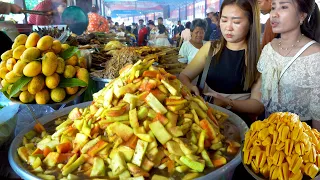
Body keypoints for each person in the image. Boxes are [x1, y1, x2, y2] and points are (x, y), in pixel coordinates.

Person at [179, 0, 264, 126]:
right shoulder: (210, 48)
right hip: (205, 120)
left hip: (239, 126)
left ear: (251, 23)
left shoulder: (260, 57)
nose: (228, 27)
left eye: (236, 22)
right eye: (224, 20)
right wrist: (190, 87)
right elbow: (184, 76)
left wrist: (227, 102)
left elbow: (258, 105)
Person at [258, 0, 320, 130]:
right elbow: (261, 97)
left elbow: (317, 116)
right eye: (273, 7)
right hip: (267, 133)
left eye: (283, 7)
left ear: (302, 15)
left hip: (299, 139)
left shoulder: (315, 54)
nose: (274, 14)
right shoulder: (268, 49)